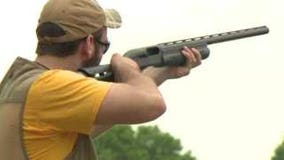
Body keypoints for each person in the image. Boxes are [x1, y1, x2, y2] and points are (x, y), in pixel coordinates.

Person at [0, 0, 202, 160]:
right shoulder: (52, 86)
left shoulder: (19, 84)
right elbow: (153, 104)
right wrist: (128, 68)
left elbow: (92, 124)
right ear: (88, 43)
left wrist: (161, 72)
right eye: (104, 44)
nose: (105, 51)